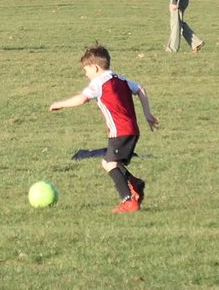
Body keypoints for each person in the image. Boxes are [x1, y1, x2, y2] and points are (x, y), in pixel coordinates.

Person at [48, 44, 159, 213]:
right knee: (112, 162)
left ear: (95, 67)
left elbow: (81, 99)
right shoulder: (120, 78)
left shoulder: (98, 83)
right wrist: (147, 114)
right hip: (132, 131)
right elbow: (140, 89)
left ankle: (128, 201)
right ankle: (135, 183)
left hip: (120, 132)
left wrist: (59, 104)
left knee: (108, 163)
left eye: (86, 71)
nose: (86, 75)